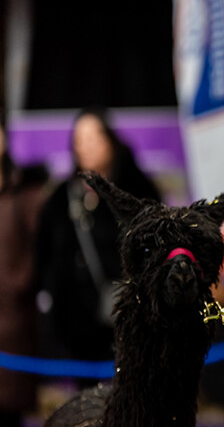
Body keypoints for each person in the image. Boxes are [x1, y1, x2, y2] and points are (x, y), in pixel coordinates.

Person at [35, 107, 161, 364]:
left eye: (93, 138)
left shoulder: (138, 190)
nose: (85, 147)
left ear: (110, 140)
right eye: (79, 140)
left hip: (130, 318)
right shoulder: (62, 196)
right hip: (75, 326)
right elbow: (44, 251)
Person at [0, 117, 48, 427]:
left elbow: (42, 248)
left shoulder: (24, 191)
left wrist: (21, 283)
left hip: (11, 319)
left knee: (8, 410)